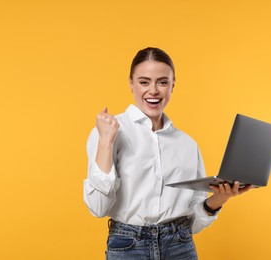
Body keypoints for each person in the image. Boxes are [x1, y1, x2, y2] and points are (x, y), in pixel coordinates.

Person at [83, 47, 252, 259]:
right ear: (131, 84)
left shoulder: (187, 144)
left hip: (179, 245)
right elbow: (98, 208)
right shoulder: (109, 131)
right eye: (144, 82)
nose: (153, 90)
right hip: (128, 246)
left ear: (172, 85)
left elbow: (194, 224)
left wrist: (219, 199)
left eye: (162, 82)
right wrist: (106, 142)